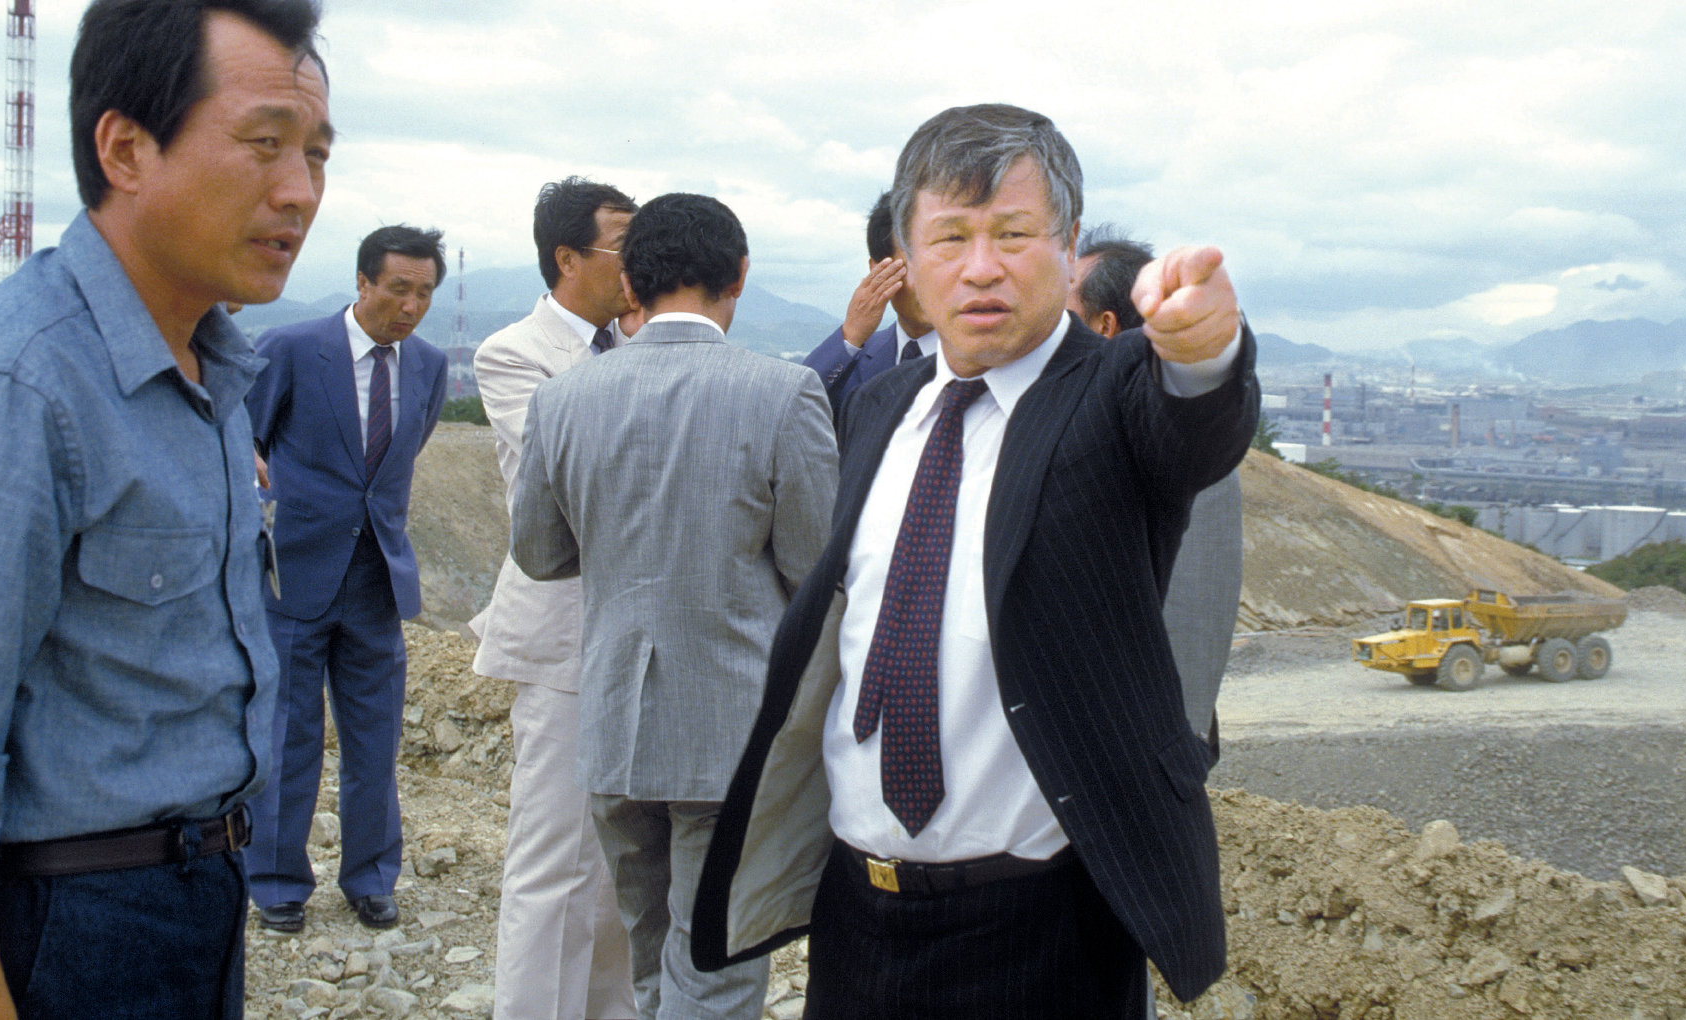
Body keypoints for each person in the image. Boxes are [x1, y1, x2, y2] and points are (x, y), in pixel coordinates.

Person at [692, 103, 1259, 1018]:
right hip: (858, 914)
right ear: (906, 260)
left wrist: (1204, 354)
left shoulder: (1112, 391)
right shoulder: (882, 406)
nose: (982, 266)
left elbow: (1193, 423)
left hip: (1042, 929)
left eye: (1014, 234)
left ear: (1067, 245)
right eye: (950, 237)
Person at [0, 0, 331, 1019]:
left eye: (317, 153)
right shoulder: (25, 382)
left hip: (198, 888)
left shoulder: (213, 371)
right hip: (65, 915)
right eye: (265, 143)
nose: (301, 191)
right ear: (126, 149)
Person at [511, 193, 838, 1019]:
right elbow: (815, 569)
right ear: (740, 274)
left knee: (653, 960)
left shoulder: (563, 398)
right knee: (717, 969)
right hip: (732, 729)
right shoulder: (784, 391)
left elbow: (539, 554)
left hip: (611, 725)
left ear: (630, 281)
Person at [243, 226, 450, 934]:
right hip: (295, 574)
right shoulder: (294, 348)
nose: (411, 306)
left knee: (374, 741)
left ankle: (371, 877)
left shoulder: (429, 366)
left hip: (377, 581)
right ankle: (276, 882)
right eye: (398, 289)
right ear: (363, 282)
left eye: (425, 293)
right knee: (289, 735)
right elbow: (243, 433)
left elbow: (395, 461)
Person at [470, 177, 641, 1020]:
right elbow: (584, 468)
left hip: (641, 635)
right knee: (552, 859)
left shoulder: (632, 344)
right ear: (567, 258)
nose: (639, 266)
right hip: (565, 634)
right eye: (624, 247)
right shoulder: (514, 353)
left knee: (621, 865)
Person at [1068, 224, 1245, 746]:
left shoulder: (1180, 447)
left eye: (1064, 310)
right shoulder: (1069, 425)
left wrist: (1173, 751)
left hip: (1140, 743)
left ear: (1104, 326)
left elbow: (1194, 614)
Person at [802, 192, 937, 415]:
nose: (926, 284)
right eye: (910, 268)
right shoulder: (854, 358)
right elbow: (794, 404)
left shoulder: (984, 355)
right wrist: (851, 333)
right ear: (878, 270)